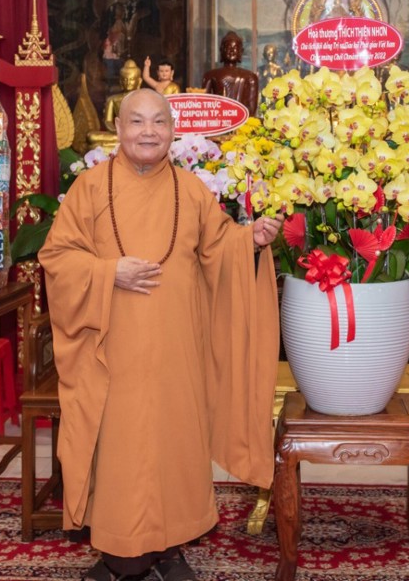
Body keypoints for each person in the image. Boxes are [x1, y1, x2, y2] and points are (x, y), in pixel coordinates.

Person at [40, 89, 284, 581]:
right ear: (118, 129)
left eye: (158, 122)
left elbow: (219, 248)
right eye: (137, 122)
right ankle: (120, 553)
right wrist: (109, 272)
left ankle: (170, 545)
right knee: (121, 450)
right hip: (111, 351)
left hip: (177, 350)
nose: (148, 132)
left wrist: (250, 241)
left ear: (173, 132)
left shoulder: (190, 190)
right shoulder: (90, 187)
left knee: (175, 446)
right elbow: (57, 257)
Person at [88, 59, 144, 150]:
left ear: (139, 81)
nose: (128, 83)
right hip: (119, 134)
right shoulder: (113, 99)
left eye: (131, 80)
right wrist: (115, 130)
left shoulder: (144, 99)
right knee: (91, 136)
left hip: (138, 134)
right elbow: (108, 121)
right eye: (125, 80)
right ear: (120, 81)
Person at [201, 32, 260, 117]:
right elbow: (204, 105)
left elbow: (251, 109)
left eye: (235, 48)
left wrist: (237, 118)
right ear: (221, 50)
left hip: (242, 122)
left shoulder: (250, 77)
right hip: (217, 119)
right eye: (228, 47)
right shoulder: (210, 75)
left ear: (241, 51)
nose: (232, 51)